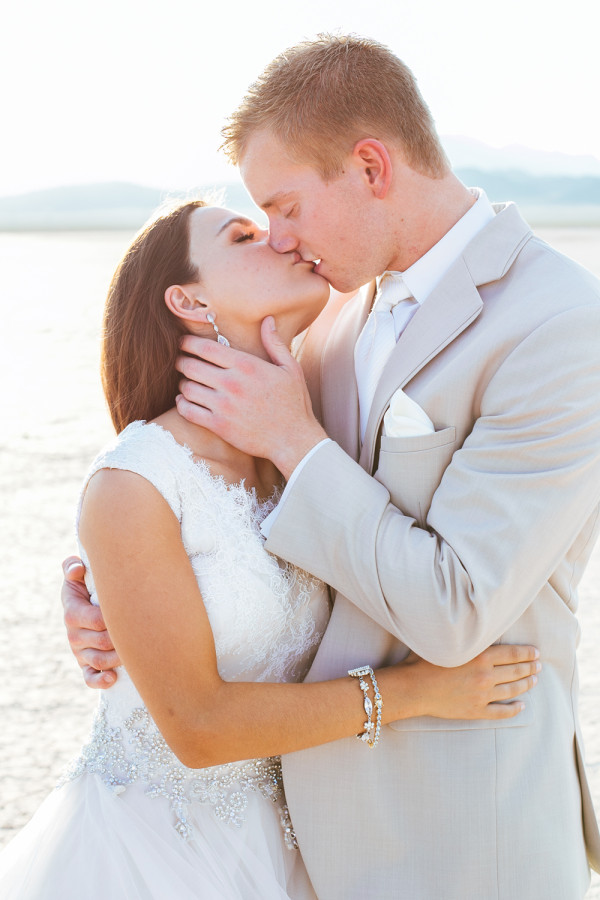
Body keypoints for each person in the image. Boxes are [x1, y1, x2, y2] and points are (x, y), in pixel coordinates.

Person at [60, 35, 600, 899]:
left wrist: (295, 442)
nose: (281, 240)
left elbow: (458, 605)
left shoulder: (560, 323)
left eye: (285, 207)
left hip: (465, 827)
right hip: (295, 840)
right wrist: (109, 588)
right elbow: (212, 496)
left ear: (371, 167)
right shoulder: (333, 314)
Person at [0, 199, 539, 900]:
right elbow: (196, 727)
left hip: (301, 842)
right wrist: (421, 694)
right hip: (152, 860)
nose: (281, 239)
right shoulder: (136, 482)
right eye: (244, 236)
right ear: (189, 298)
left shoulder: (314, 428)